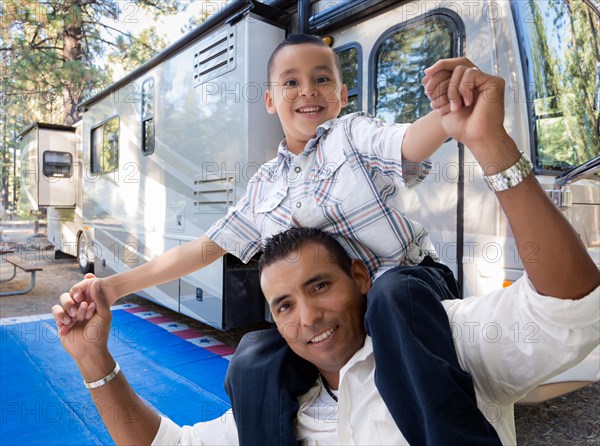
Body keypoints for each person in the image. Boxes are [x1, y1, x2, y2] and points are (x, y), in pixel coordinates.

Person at [53, 60, 600, 445]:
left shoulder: (353, 137)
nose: (307, 89)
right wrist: (114, 288)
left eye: (323, 79)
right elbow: (204, 247)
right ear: (269, 100)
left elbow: (410, 140)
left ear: (341, 96)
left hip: (409, 290)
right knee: (251, 358)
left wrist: (468, 125)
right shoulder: (265, 186)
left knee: (394, 295)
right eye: (290, 81)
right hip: (367, 300)